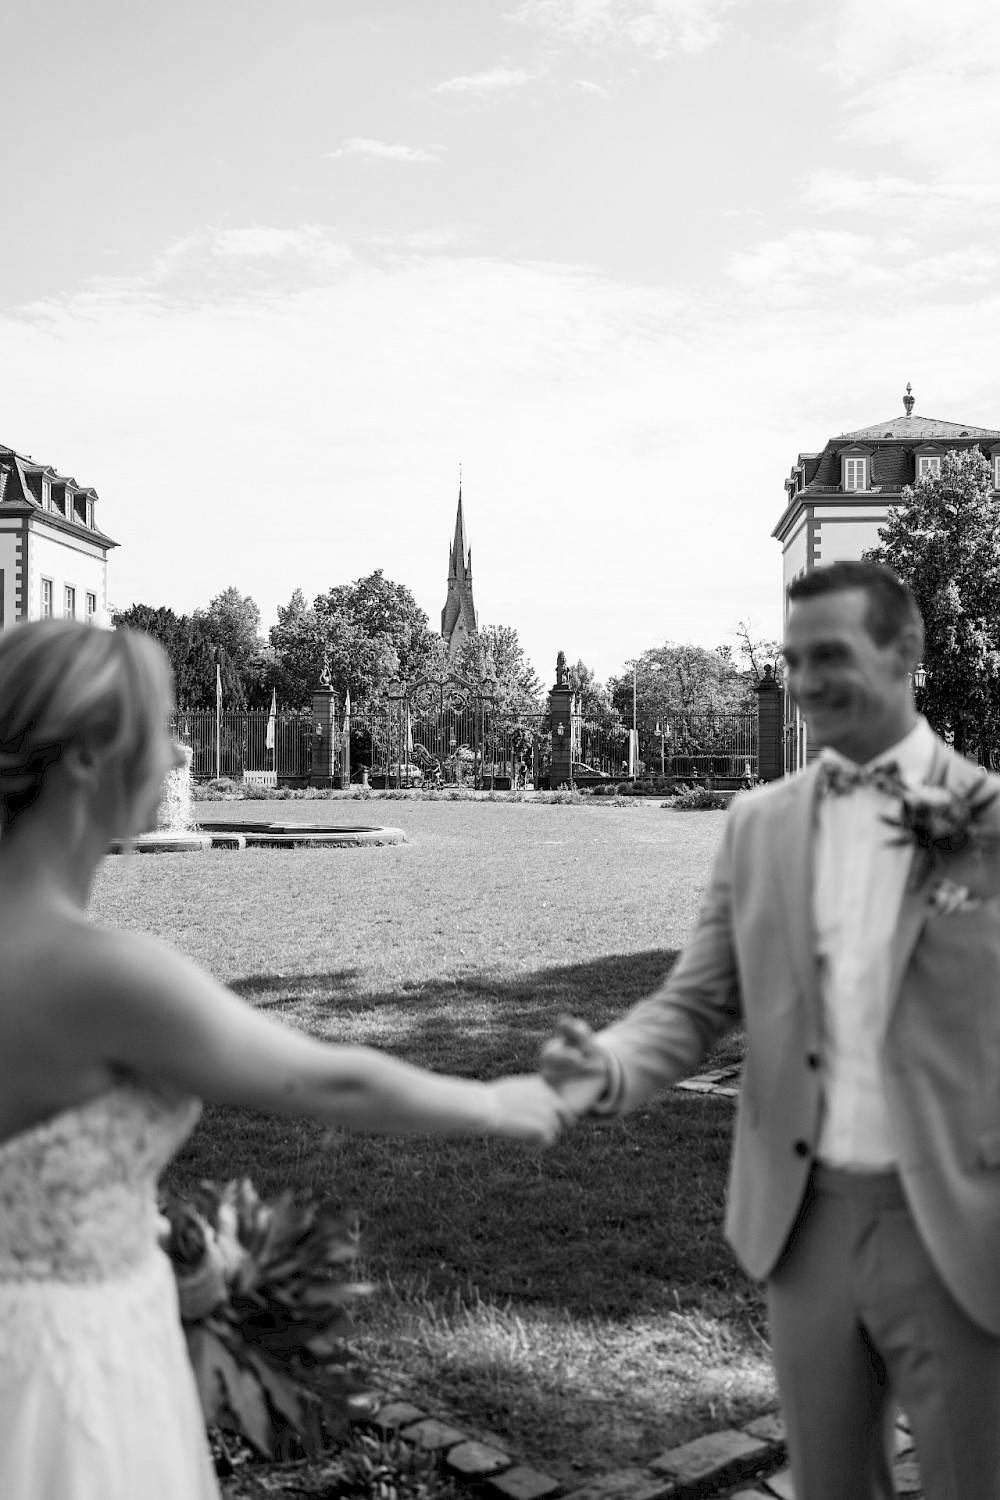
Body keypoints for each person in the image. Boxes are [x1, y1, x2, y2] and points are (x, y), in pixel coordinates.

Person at [0, 619, 572, 1500]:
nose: (185, 751)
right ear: (83, 756)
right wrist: (504, 1105)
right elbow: (325, 1078)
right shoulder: (100, 972)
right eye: (162, 727)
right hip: (65, 1373)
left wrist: (143, 1234)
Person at [542, 561, 1000, 1500]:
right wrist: (613, 1062)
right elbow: (698, 1000)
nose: (806, 681)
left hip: (963, 1221)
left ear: (905, 651)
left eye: (830, 654)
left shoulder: (991, 819)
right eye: (793, 659)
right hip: (804, 1220)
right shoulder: (759, 823)